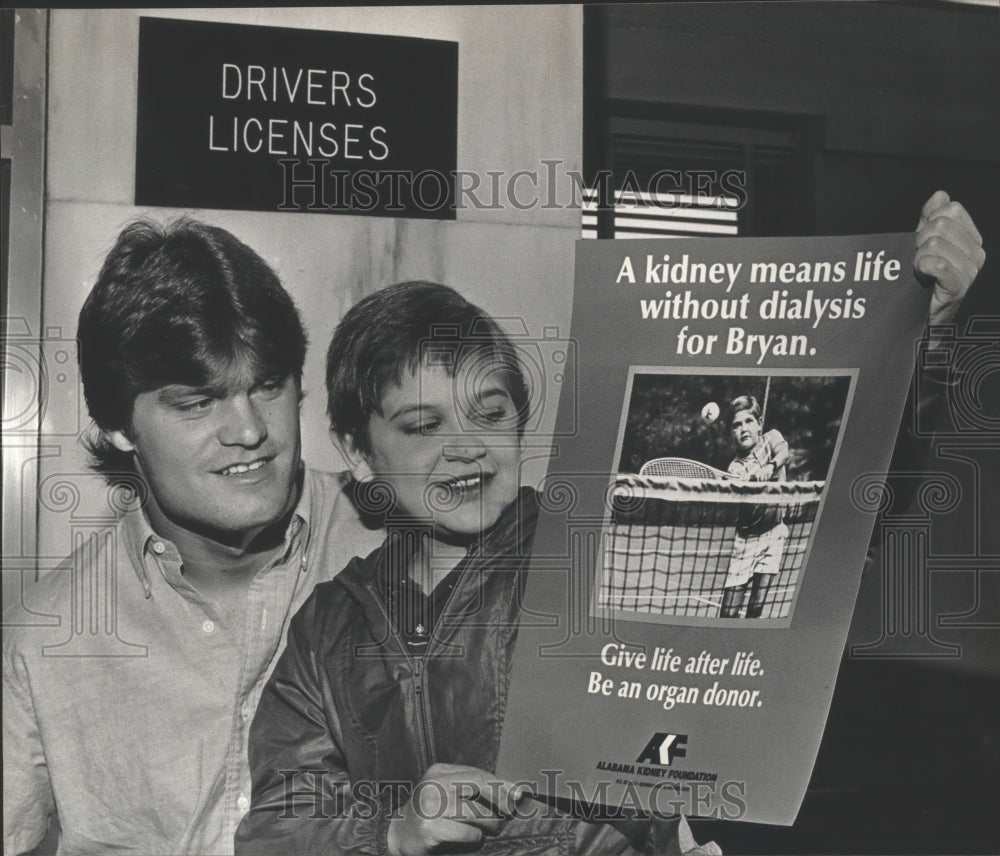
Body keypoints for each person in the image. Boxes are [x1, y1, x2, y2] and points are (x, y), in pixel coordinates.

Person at [233, 281, 721, 855]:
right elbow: (276, 827)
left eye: (489, 414)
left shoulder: (591, 557)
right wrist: (390, 833)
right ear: (359, 453)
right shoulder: (328, 628)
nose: (467, 446)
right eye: (424, 426)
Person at [2, 219, 384, 855]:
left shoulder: (408, 555)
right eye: (198, 402)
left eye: (267, 385)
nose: (249, 431)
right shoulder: (45, 639)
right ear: (120, 424)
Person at [718, 395, 789, 618]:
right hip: (747, 541)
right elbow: (742, 501)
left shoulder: (772, 438)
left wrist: (770, 467)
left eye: (749, 421)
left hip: (775, 533)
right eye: (736, 425)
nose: (744, 429)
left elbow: (783, 454)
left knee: (757, 607)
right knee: (729, 613)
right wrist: (747, 484)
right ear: (731, 434)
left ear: (760, 423)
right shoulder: (735, 468)